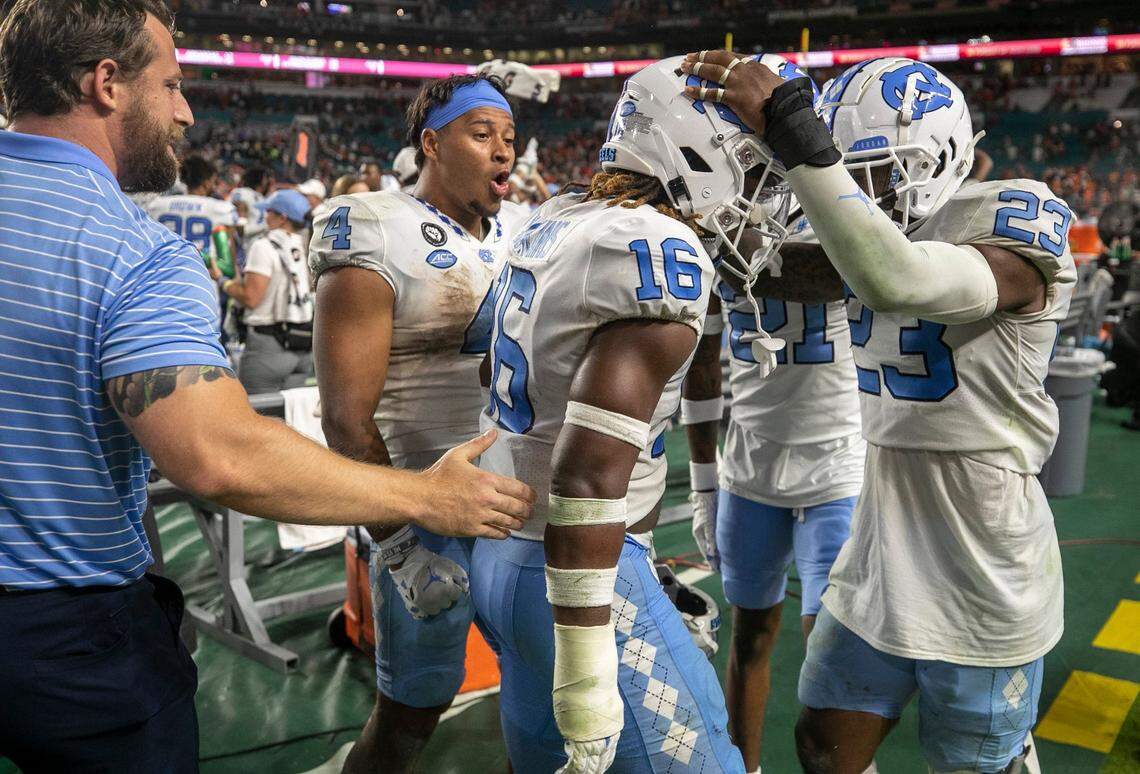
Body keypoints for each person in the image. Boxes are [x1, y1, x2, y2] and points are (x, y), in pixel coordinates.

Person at [0, 4, 533, 771]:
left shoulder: (521, 227)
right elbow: (218, 455)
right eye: (172, 84)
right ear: (107, 83)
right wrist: (417, 508)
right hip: (67, 625)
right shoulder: (131, 250)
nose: (186, 111)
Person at [680, 51, 1068, 774]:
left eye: (887, 171)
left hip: (983, 559)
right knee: (822, 747)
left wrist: (793, 125)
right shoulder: (855, 230)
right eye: (857, 174)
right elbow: (787, 259)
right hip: (878, 549)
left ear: (942, 154)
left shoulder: (1015, 216)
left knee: (971, 766)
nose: (872, 192)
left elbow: (896, 278)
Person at [469, 55, 796, 773]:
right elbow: (586, 480)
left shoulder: (559, 216)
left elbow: (490, 369)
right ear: (699, 155)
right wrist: (589, 678)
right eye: (755, 171)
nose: (765, 198)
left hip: (503, 557)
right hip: (583, 576)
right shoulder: (655, 248)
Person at [309, 73, 519, 773]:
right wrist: (399, 545)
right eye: (481, 134)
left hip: (516, 506)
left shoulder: (526, 228)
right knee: (408, 718)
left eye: (509, 137)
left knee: (545, 697)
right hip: (422, 512)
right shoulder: (374, 225)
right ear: (431, 143)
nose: (502, 150)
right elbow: (345, 417)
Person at [682, 55, 864, 774]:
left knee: (833, 654)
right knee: (749, 636)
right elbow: (703, 364)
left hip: (838, 464)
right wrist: (703, 485)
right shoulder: (712, 210)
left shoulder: (845, 200)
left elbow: (833, 267)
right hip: (751, 465)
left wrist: (731, 247)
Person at [223, 189, 315, 393]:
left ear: (282, 218)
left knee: (255, 411)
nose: (265, 215)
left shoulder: (263, 246)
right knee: (290, 412)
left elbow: (251, 298)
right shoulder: (306, 244)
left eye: (269, 211)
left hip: (268, 346)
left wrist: (224, 283)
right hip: (302, 346)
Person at [148, 153, 238, 273]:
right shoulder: (221, 208)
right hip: (202, 274)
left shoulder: (158, 205)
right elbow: (229, 258)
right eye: (213, 181)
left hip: (164, 271)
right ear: (207, 182)